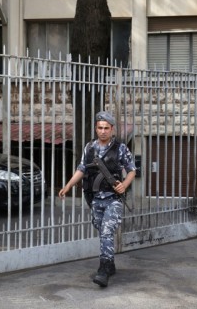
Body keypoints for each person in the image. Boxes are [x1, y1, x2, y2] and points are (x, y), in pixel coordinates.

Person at [58, 111, 136, 287]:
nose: (103, 131)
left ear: (112, 129)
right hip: (95, 199)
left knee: (107, 230)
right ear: (96, 128)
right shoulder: (90, 148)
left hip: (114, 198)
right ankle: (111, 264)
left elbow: (132, 170)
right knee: (102, 232)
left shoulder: (120, 148)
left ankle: (103, 269)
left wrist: (124, 184)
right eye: (100, 128)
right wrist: (68, 185)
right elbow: (82, 169)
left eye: (106, 128)